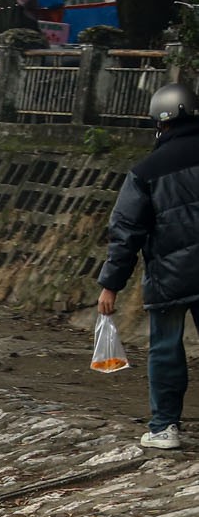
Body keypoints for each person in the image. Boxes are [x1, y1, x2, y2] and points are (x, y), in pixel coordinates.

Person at [97, 83, 199, 450]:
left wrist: (111, 284)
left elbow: (126, 232)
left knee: (166, 350)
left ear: (160, 122)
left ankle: (164, 427)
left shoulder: (146, 171)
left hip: (170, 277)